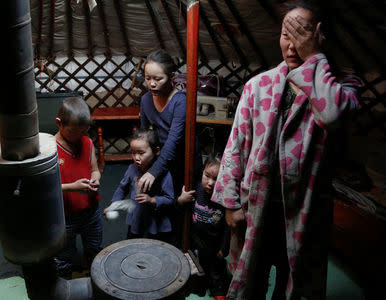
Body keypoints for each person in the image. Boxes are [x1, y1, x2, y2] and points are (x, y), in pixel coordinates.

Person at [211, 1, 361, 299]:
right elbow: (235, 147)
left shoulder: (343, 88)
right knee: (250, 279)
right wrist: (229, 203)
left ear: (320, 36)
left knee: (293, 285)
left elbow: (330, 115)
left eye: (301, 34)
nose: (292, 45)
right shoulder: (259, 85)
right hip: (255, 206)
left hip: (304, 211)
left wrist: (314, 57)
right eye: (286, 34)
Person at [138, 49, 201, 196]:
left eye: (158, 79)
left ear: (171, 77)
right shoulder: (145, 100)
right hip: (163, 158)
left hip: (185, 159)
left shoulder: (180, 102)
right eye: (147, 78)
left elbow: (173, 140)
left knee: (184, 201)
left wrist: (154, 171)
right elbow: (144, 134)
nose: (152, 84)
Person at [54, 97, 102, 278]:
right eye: (74, 132)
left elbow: (95, 171)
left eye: (85, 130)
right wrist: (72, 187)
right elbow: (46, 190)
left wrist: (95, 179)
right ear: (59, 123)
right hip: (65, 216)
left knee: (95, 249)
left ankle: (99, 284)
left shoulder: (87, 142)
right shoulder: (50, 149)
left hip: (91, 211)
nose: (79, 136)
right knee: (64, 256)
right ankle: (63, 288)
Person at [104, 129, 175, 241]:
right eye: (133, 152)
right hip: (136, 219)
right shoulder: (132, 169)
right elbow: (122, 188)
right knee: (132, 245)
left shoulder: (164, 174)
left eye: (141, 153)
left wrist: (152, 200)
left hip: (155, 222)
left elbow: (170, 199)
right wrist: (113, 205)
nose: (136, 158)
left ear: (157, 151)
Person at [178, 154, 231, 299]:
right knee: (197, 267)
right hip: (196, 239)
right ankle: (198, 287)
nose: (210, 183)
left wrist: (224, 247)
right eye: (207, 176)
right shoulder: (195, 188)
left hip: (215, 242)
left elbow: (227, 226)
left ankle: (218, 288)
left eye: (216, 179)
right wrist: (181, 200)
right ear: (202, 172)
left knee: (216, 269)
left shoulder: (224, 197)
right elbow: (182, 209)